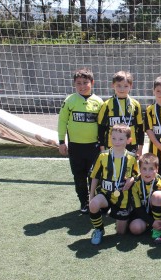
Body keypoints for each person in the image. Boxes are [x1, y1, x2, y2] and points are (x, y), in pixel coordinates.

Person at [57, 67, 103, 214]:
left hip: (94, 147)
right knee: (79, 176)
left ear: (92, 82)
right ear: (74, 84)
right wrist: (61, 142)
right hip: (75, 146)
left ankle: (94, 201)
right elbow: (62, 121)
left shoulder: (99, 102)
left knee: (95, 176)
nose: (82, 86)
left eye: (85, 82)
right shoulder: (69, 101)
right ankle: (83, 202)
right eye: (78, 83)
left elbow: (103, 126)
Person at [87, 124, 138, 245]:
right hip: (105, 193)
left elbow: (137, 174)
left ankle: (123, 215)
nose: (117, 141)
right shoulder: (103, 156)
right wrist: (91, 194)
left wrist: (132, 179)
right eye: (114, 138)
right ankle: (99, 229)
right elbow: (95, 176)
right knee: (93, 205)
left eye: (121, 139)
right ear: (110, 138)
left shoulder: (132, 158)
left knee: (120, 233)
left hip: (123, 199)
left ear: (128, 140)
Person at [97, 70, 144, 158]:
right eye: (118, 86)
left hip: (131, 144)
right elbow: (101, 128)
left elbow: (141, 128)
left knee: (129, 169)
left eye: (126, 86)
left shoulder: (136, 105)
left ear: (131, 86)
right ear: (113, 85)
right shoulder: (106, 105)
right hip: (112, 144)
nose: (122, 89)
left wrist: (140, 147)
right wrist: (102, 148)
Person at [129, 153, 161, 239]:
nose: (147, 173)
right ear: (139, 169)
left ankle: (159, 227)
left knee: (157, 196)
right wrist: (151, 222)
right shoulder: (135, 184)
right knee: (135, 228)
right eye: (144, 169)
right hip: (142, 215)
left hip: (159, 216)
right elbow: (137, 209)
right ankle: (153, 224)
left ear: (157, 169)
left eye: (151, 169)